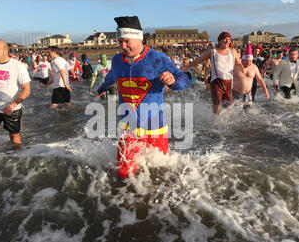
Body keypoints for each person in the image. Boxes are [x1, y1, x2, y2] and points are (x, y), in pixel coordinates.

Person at [97, 16, 190, 179]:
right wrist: (102, 88)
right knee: (124, 175)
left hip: (156, 130)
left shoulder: (157, 59)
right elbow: (112, 76)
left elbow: (185, 79)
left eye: (126, 41)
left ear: (138, 37)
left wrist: (174, 81)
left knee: (159, 175)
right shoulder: (118, 60)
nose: (122, 46)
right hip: (128, 129)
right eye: (119, 42)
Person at [183, 31, 244, 114]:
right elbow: (199, 59)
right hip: (216, 81)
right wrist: (188, 66)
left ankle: (227, 123)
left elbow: (239, 64)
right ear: (219, 41)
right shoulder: (212, 51)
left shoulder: (232, 51)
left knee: (229, 106)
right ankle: (215, 123)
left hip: (229, 81)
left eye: (229, 39)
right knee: (217, 105)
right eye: (225, 39)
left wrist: (244, 70)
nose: (227, 41)